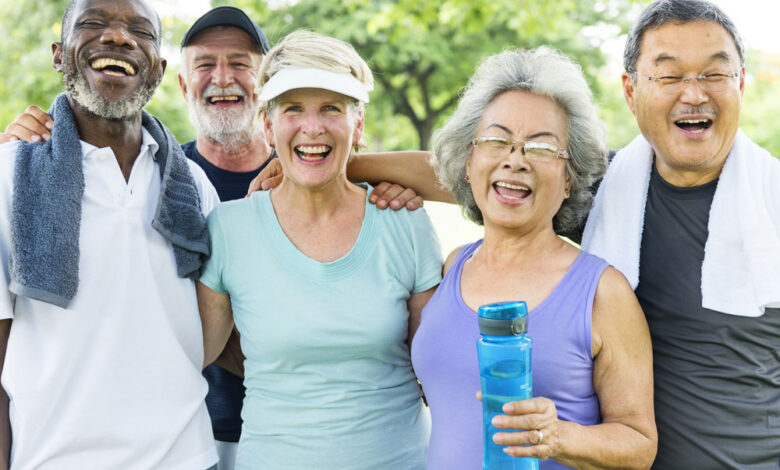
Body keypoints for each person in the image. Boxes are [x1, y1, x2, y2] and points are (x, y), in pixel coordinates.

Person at [196, 30, 442, 469]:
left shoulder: (405, 223)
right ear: (268, 125)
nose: (313, 127)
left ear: (358, 124)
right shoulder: (229, 230)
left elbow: (436, 372)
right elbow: (191, 351)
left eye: (332, 108)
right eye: (294, 109)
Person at [409, 47, 656, 469]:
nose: (515, 160)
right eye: (496, 140)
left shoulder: (602, 292)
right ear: (469, 163)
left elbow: (639, 445)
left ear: (569, 180)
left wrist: (559, 436)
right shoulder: (452, 267)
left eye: (541, 149)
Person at [0, 0, 221, 469]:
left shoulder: (195, 188)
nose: (118, 37)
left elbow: (219, 328)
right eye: (94, 23)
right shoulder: (9, 177)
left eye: (140, 31)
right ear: (60, 54)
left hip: (187, 458)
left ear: (159, 69)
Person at [581, 1, 780, 468]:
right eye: (669, 77)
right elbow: (472, 175)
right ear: (631, 92)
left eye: (714, 74)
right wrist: (371, 171)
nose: (694, 94)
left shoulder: (772, 201)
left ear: (741, 84)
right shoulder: (599, 195)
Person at [178, 8, 272, 469]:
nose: (222, 78)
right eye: (204, 65)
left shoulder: (309, 173)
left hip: (292, 430)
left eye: (240, 62)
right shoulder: (162, 178)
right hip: (191, 438)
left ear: (267, 83)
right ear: (182, 86)